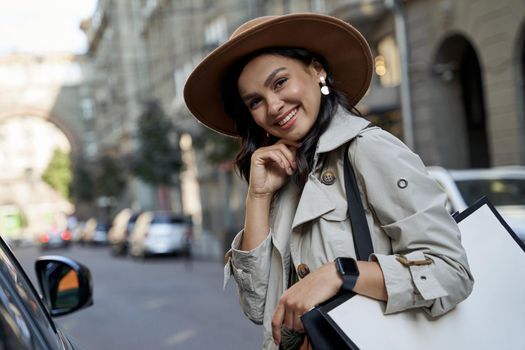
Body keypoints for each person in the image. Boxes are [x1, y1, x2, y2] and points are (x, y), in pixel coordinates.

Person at [184, 13, 474, 350]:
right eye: (255, 101)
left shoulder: (368, 149)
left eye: (279, 83)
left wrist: (341, 274)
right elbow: (259, 308)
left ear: (317, 69)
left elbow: (452, 272)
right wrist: (259, 196)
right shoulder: (285, 179)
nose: (274, 106)